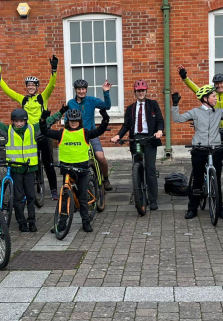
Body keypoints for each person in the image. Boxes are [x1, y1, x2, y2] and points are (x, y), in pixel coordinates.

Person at [171, 84, 223, 220]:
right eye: (213, 96)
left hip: (215, 149)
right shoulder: (195, 112)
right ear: (205, 98)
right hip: (199, 149)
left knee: (217, 181)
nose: (216, 98)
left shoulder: (219, 112)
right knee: (197, 180)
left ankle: (220, 209)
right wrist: (175, 104)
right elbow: (177, 119)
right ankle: (192, 208)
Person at [0, 56, 60, 199]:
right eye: (28, 85)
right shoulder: (23, 99)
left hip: (43, 132)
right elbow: (8, 91)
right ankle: (34, 186)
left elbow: (52, 85)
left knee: (48, 163)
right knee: (32, 162)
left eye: (33, 85)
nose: (30, 87)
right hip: (30, 134)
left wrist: (53, 70)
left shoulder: (43, 97)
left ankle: (54, 190)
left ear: (37, 87)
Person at [179, 64, 223, 200]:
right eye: (216, 84)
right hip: (218, 131)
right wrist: (185, 78)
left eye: (221, 83)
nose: (219, 85)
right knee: (216, 153)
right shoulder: (212, 96)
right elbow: (196, 89)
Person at [40, 107, 109, 233]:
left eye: (76, 120)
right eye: (71, 120)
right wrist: (43, 119)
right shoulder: (61, 133)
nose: (73, 122)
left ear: (80, 121)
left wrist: (105, 117)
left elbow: (100, 130)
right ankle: (61, 223)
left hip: (81, 170)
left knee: (83, 197)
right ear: (67, 121)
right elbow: (45, 131)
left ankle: (86, 222)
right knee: (65, 196)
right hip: (67, 169)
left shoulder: (85, 133)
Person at [111, 80, 164, 210]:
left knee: (150, 168)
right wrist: (118, 136)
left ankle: (152, 199)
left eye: (143, 91)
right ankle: (139, 194)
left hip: (150, 138)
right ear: (135, 92)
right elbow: (126, 125)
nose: (141, 93)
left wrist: (159, 131)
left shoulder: (153, 104)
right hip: (136, 139)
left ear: (146, 91)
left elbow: (159, 120)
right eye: (138, 91)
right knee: (137, 166)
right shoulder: (131, 108)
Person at [0, 108, 40, 232]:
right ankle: (21, 223)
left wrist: (61, 112)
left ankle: (32, 221)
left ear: (25, 121)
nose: (19, 124)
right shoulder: (8, 130)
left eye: (21, 121)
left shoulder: (32, 129)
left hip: (29, 168)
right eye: (16, 121)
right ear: (12, 121)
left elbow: (47, 122)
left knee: (31, 196)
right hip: (16, 169)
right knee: (18, 197)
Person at [67, 78, 113, 191]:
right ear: (75, 90)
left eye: (83, 89)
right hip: (77, 135)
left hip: (91, 134)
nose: (81, 91)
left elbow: (107, 106)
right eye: (79, 89)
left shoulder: (91, 100)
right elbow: (66, 120)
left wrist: (106, 92)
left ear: (86, 90)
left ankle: (105, 178)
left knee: (100, 157)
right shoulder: (70, 103)